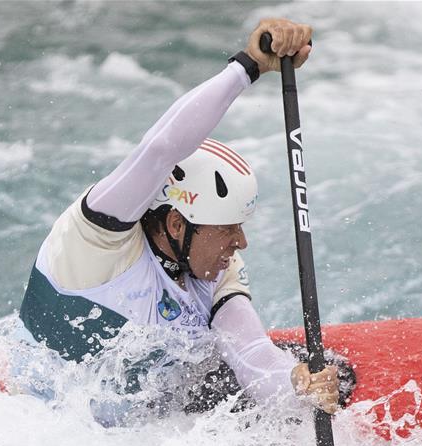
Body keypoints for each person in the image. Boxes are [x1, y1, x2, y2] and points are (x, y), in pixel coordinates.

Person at [17, 18, 340, 425]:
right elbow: (160, 149)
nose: (241, 243)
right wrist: (248, 66)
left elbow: (252, 354)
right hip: (41, 430)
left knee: (331, 370)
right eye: (227, 229)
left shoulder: (215, 270)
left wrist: (298, 386)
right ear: (175, 224)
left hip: (144, 439)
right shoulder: (97, 238)